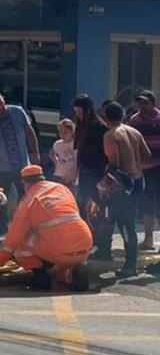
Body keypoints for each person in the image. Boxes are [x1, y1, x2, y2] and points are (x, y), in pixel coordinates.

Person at [0, 165, 92, 291]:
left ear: (25, 183)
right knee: (58, 269)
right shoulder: (61, 188)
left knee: (21, 240)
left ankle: (40, 276)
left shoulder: (29, 201)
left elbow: (12, 240)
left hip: (59, 249)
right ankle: (71, 274)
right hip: (84, 245)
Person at [99, 101, 151, 276]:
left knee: (125, 224)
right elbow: (147, 155)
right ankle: (131, 262)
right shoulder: (135, 132)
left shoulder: (110, 135)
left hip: (123, 183)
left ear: (106, 117)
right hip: (138, 181)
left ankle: (130, 264)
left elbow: (115, 163)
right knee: (128, 222)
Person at [0, 89, 40, 233]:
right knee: (2, 199)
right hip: (1, 168)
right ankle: (3, 230)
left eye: (0, 102)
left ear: (3, 99)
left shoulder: (17, 111)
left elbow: (29, 132)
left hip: (22, 165)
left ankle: (23, 226)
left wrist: (35, 153)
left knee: (26, 197)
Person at [72, 94, 109, 249]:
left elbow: (105, 152)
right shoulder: (82, 124)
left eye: (80, 112)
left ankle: (99, 241)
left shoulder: (99, 127)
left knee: (97, 207)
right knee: (81, 204)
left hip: (97, 172)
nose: (77, 115)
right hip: (84, 171)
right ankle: (85, 236)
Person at [129, 90, 160, 250]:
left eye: (145, 103)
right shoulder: (135, 120)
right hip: (142, 168)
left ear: (152, 103)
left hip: (158, 167)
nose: (142, 106)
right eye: (140, 102)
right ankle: (148, 240)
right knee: (147, 204)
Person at [49, 118, 78, 189]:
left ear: (72, 132)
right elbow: (52, 153)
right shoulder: (58, 144)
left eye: (65, 132)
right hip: (59, 174)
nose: (62, 135)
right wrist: (56, 161)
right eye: (60, 132)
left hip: (71, 175)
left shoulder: (76, 144)